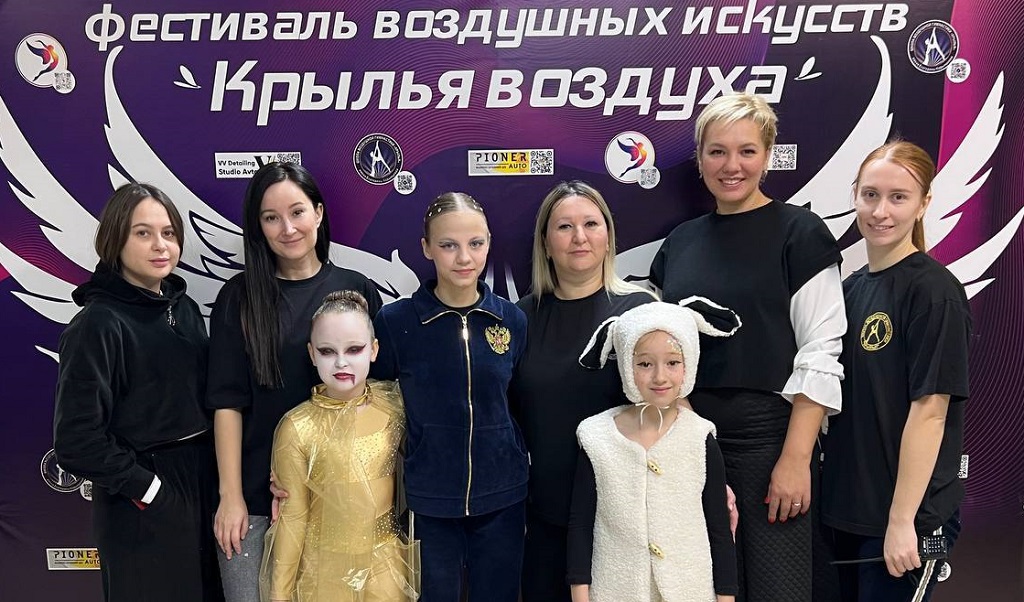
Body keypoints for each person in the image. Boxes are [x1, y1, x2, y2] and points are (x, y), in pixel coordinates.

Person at [649, 92, 846, 601]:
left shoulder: (800, 233)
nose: (731, 165)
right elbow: (662, 352)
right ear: (700, 159)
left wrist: (795, 459)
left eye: (747, 151)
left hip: (772, 443)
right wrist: (689, 443)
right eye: (717, 151)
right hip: (693, 441)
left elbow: (821, 351)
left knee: (778, 590)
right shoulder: (680, 243)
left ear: (768, 156)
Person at [208, 162, 383, 602]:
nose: (287, 228)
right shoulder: (238, 298)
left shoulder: (357, 290)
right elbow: (227, 402)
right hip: (257, 501)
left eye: (297, 212)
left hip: (342, 502)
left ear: (318, 213)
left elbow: (375, 401)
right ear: (258, 227)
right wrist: (232, 497)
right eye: (271, 217)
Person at [53, 183, 221, 601]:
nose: (160, 245)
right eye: (143, 233)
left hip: (203, 481)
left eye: (169, 233)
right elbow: (76, 440)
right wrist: (150, 491)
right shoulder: (97, 324)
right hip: (143, 497)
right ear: (116, 239)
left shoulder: (182, 308)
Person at [821, 141, 970, 602]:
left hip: (904, 522)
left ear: (924, 204)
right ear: (855, 197)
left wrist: (903, 521)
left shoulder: (934, 292)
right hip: (845, 513)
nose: (880, 211)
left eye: (898, 197)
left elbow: (930, 413)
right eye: (870, 195)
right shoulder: (848, 291)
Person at [371, 192, 528, 602]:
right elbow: (376, 405)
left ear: (489, 243)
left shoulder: (512, 320)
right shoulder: (396, 322)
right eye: (448, 245)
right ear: (426, 248)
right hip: (430, 500)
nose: (464, 258)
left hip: (503, 495)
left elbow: (521, 402)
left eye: (475, 243)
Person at [509, 180, 656, 601]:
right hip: (544, 517)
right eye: (564, 226)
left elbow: (669, 412)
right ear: (545, 243)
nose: (579, 237)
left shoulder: (640, 311)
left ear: (608, 235)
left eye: (591, 224)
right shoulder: (519, 319)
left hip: (623, 517)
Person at [567, 298, 740, 602]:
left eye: (672, 362)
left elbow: (719, 531)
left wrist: (725, 597)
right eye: (645, 364)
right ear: (626, 366)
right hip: (615, 592)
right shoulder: (596, 438)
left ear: (689, 364)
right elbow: (580, 526)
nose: (660, 377)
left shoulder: (700, 437)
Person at [260, 291, 417, 602]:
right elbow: (293, 516)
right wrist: (280, 595)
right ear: (311, 353)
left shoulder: (394, 406)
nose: (341, 362)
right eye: (327, 351)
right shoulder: (297, 427)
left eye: (354, 349)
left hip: (386, 572)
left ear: (374, 350)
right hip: (323, 576)